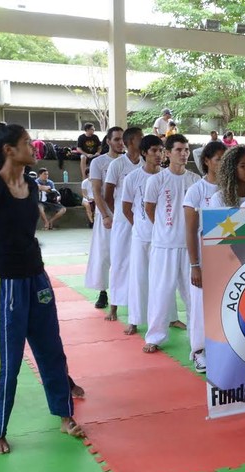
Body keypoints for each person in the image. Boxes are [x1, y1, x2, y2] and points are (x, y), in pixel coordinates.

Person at [0, 123, 84, 454]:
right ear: (9, 150)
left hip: (37, 277)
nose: (34, 149)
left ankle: (64, 415)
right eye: (28, 144)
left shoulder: (31, 185)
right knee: (6, 359)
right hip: (4, 283)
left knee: (51, 349)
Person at [143, 134, 200, 353]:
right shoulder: (156, 180)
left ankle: (199, 339)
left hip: (188, 247)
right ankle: (155, 336)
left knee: (193, 295)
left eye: (186, 150)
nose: (184, 154)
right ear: (167, 153)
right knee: (160, 292)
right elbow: (149, 209)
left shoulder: (194, 180)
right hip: (163, 245)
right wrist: (165, 229)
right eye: (178, 150)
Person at [183, 140, 227, 372]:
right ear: (207, 162)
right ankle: (199, 351)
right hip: (203, 258)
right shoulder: (196, 191)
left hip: (226, 258)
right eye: (219, 159)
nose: (222, 163)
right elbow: (190, 230)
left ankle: (222, 347)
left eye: (225, 158)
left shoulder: (232, 189)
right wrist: (195, 265)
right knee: (200, 304)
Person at [121, 135, 165, 336]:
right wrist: (139, 225)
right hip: (140, 235)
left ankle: (170, 317)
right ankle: (135, 320)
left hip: (162, 237)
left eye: (161, 150)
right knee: (139, 278)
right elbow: (126, 208)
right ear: (144, 153)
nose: (158, 155)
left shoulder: (166, 176)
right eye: (154, 151)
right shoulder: (132, 178)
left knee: (163, 280)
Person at [103, 127, 144, 322]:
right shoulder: (117, 165)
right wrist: (118, 212)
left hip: (143, 219)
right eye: (139, 139)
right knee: (119, 262)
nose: (142, 141)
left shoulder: (146, 164)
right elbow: (107, 195)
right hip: (122, 220)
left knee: (142, 263)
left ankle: (143, 307)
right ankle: (114, 306)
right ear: (129, 143)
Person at [85, 126, 124, 309]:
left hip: (126, 216)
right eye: (116, 139)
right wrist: (106, 215)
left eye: (122, 139)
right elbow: (96, 192)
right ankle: (103, 292)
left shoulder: (130, 162)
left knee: (124, 255)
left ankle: (124, 292)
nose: (120, 142)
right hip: (106, 216)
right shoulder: (98, 163)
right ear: (108, 141)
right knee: (104, 254)